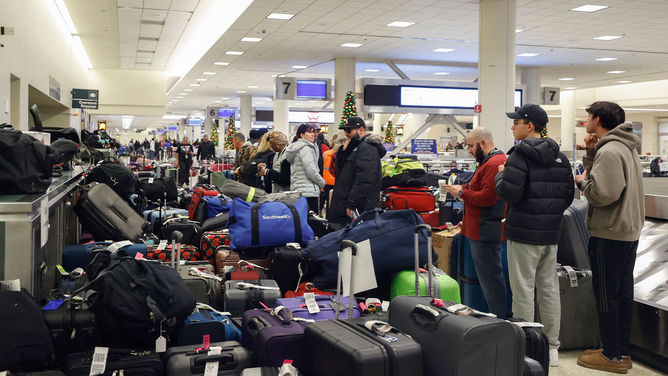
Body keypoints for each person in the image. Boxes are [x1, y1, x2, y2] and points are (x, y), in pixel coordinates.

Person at [495, 103, 574, 367]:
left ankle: (527, 348)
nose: (512, 126)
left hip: (523, 234)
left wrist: (500, 176)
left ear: (529, 126)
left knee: (523, 290)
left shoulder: (518, 156)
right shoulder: (561, 157)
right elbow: (568, 196)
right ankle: (551, 348)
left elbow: (509, 193)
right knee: (549, 289)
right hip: (550, 234)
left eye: (516, 122)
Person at [574, 102, 644, 374]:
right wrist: (591, 154)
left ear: (598, 119)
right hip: (627, 231)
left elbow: (604, 193)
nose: (586, 122)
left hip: (610, 233)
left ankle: (612, 356)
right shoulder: (623, 146)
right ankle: (619, 351)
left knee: (606, 295)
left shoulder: (611, 150)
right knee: (622, 292)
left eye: (588, 117)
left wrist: (582, 184)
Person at [443, 127, 508, 318]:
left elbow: (488, 198)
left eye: (471, 146)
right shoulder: (488, 161)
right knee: (489, 277)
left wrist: (461, 193)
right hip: (479, 229)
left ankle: (499, 319)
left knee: (491, 279)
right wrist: (462, 188)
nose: (469, 150)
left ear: (483, 143)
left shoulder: (494, 163)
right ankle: (496, 316)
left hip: (485, 230)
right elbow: (477, 187)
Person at [329, 117, 386, 227]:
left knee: (358, 241)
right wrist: (343, 152)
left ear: (360, 130)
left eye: (349, 130)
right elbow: (340, 171)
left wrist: (351, 204)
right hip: (350, 207)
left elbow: (365, 180)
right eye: (345, 130)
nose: (346, 133)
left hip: (359, 209)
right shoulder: (356, 147)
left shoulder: (367, 149)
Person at [285, 123, 327, 212]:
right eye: (309, 132)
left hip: (299, 190)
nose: (313, 134)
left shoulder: (297, 147)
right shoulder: (306, 148)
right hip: (308, 191)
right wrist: (322, 183)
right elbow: (311, 170)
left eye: (313, 132)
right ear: (302, 135)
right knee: (311, 221)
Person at [322, 131, 347, 215]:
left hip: (327, 182)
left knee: (329, 205)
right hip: (339, 184)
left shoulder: (327, 154)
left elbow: (330, 169)